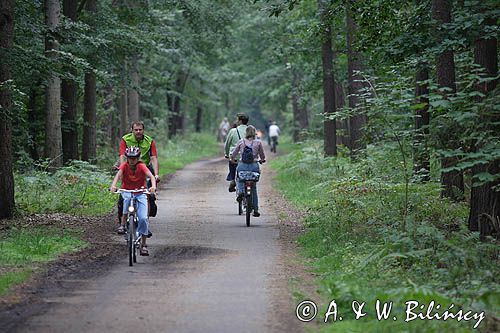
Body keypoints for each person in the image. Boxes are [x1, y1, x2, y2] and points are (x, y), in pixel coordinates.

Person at [110, 146, 157, 256]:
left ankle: (144, 245)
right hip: (127, 191)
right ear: (127, 158)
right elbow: (117, 176)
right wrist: (113, 186)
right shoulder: (124, 166)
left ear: (138, 158)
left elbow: (151, 176)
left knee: (143, 218)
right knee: (126, 201)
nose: (132, 160)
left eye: (135, 158)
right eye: (130, 158)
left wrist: (153, 187)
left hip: (141, 193)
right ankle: (122, 224)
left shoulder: (141, 166)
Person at [116, 121, 160, 230]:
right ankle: (122, 222)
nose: (138, 132)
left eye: (140, 129)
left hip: (144, 168)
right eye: (136, 130)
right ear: (132, 130)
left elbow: (153, 158)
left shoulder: (149, 141)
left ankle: (145, 223)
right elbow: (122, 155)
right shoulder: (125, 139)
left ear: (143, 130)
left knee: (148, 195)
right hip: (129, 167)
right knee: (123, 196)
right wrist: (122, 170)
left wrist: (156, 174)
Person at [231, 125, 266, 217]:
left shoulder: (241, 142)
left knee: (239, 179)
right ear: (255, 133)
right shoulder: (258, 143)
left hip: (242, 166)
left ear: (246, 133)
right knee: (253, 187)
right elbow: (262, 156)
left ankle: (241, 191)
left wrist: (232, 159)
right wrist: (262, 160)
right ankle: (256, 209)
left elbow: (234, 154)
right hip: (254, 166)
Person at [224, 113, 249, 192]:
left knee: (232, 162)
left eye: (237, 119)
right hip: (247, 156)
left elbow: (227, 144)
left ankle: (232, 179)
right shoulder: (251, 130)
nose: (236, 121)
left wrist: (227, 154)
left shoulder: (233, 131)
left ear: (240, 121)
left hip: (235, 156)